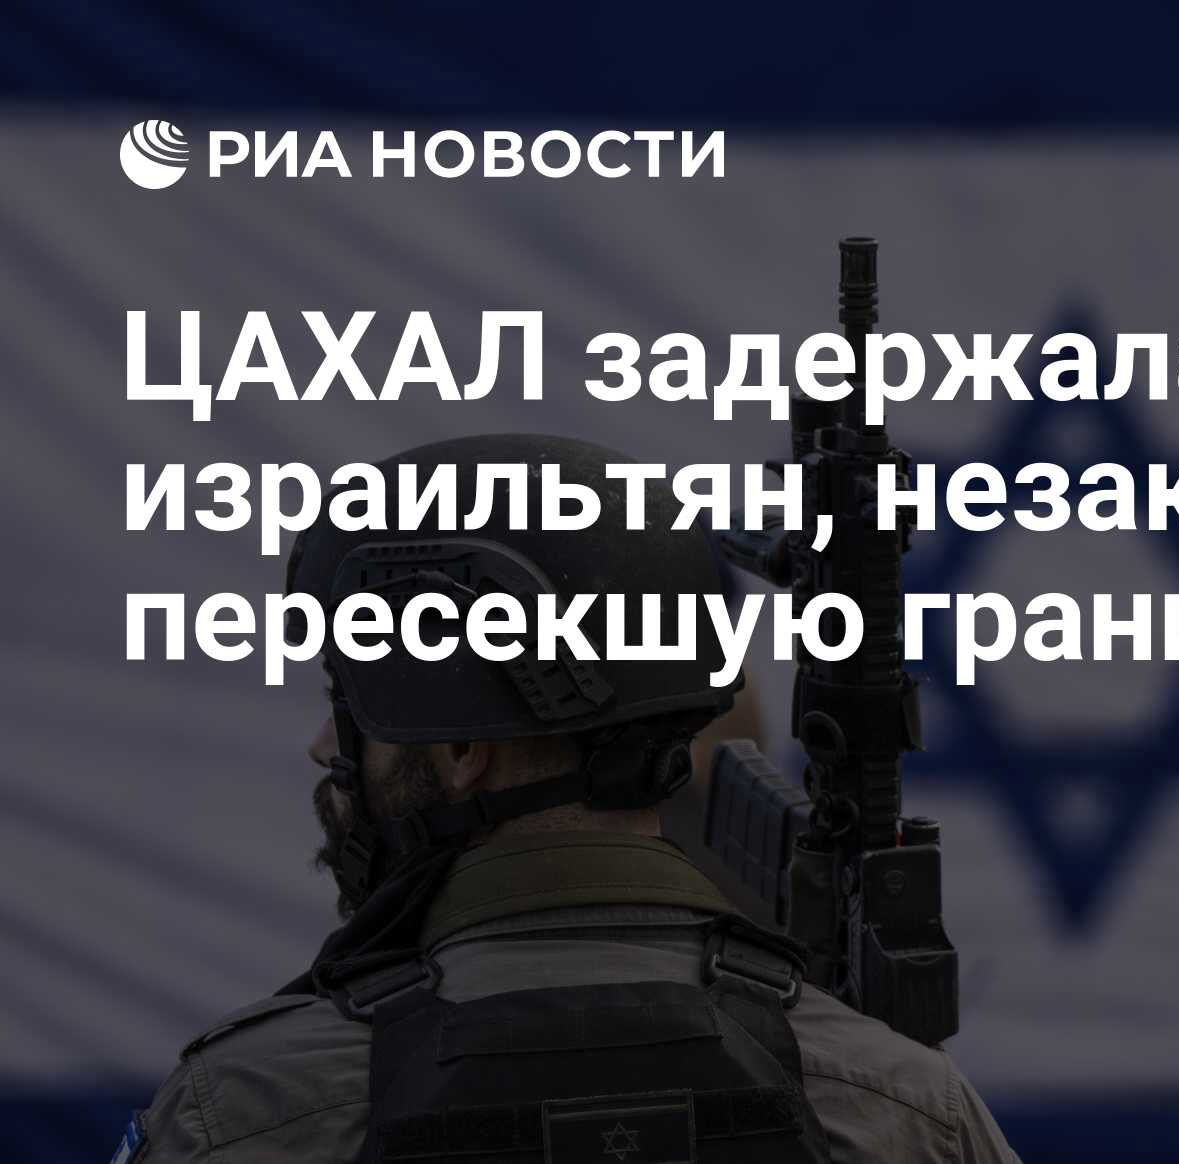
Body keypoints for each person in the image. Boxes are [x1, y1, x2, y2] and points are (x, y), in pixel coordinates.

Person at [122, 434, 1019, 1164]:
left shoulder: (250, 1110)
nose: (325, 746)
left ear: (463, 751)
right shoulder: (899, 1106)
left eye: (352, 707)